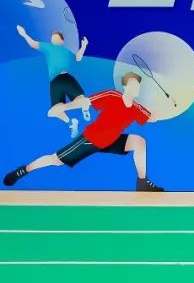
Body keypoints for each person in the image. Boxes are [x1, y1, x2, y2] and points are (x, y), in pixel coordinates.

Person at [3, 72, 164, 192]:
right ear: (125, 87)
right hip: (91, 139)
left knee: (139, 142)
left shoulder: (136, 109)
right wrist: (63, 107)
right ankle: (23, 170)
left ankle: (142, 182)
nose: (136, 88)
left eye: (138, 85)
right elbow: (85, 102)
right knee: (56, 160)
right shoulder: (112, 95)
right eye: (133, 84)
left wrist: (171, 109)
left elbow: (152, 117)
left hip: (111, 141)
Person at [16, 25, 91, 137]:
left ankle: (84, 109)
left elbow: (78, 58)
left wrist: (84, 46)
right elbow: (32, 43)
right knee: (54, 112)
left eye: (56, 37)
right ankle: (71, 123)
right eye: (52, 38)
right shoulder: (47, 47)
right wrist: (24, 34)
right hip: (55, 82)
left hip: (67, 78)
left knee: (82, 101)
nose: (53, 39)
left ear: (62, 41)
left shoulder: (66, 51)